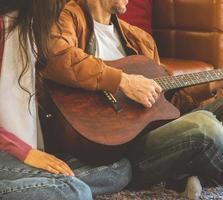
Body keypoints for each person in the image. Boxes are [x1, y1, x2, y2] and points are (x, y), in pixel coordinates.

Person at [42, 0, 223, 199]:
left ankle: (185, 174)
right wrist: (122, 81)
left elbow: (171, 105)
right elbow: (55, 57)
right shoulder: (67, 17)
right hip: (128, 154)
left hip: (160, 134)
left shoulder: (139, 39)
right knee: (205, 125)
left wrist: (216, 84)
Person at [0, 0, 131, 199]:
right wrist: (24, 152)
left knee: (118, 170)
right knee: (74, 192)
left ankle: (37, 185)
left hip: (21, 148)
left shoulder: (33, 27)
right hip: (7, 148)